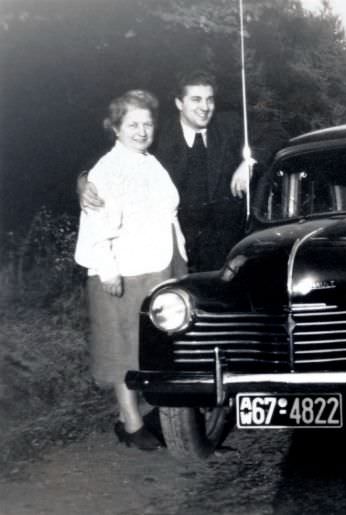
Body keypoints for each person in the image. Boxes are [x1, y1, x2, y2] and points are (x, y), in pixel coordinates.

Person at [75, 90, 188, 450]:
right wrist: (108, 271)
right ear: (116, 128)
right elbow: (96, 224)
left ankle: (151, 412)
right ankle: (131, 422)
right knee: (123, 348)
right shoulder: (107, 170)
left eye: (147, 123)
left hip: (160, 265)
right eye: (133, 124)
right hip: (124, 271)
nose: (141, 131)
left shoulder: (150, 162)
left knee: (152, 347)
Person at [79, 69, 254, 272]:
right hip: (171, 252)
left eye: (210, 100)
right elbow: (104, 157)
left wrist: (248, 162)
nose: (205, 107)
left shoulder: (229, 124)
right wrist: (83, 182)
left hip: (224, 250)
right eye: (196, 99)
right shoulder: (156, 132)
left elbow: (276, 133)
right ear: (179, 103)